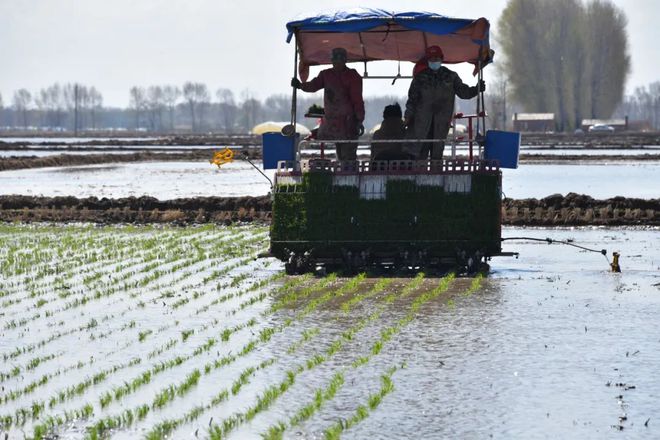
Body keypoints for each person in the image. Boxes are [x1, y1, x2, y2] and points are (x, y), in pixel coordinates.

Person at [404, 45, 485, 160]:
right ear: (427, 60)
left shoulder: (451, 77)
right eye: (432, 59)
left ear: (442, 58)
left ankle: (436, 175)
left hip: (441, 122)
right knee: (420, 153)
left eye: (436, 58)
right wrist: (407, 117)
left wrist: (477, 89)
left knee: (437, 154)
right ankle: (418, 175)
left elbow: (464, 93)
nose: (434, 61)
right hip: (421, 123)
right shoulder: (420, 78)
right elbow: (412, 100)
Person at [291, 47, 365, 161]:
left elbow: (357, 100)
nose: (337, 63)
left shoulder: (352, 76)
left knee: (348, 157)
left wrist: (359, 120)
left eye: (340, 60)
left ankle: (348, 175)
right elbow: (313, 85)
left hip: (349, 123)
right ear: (332, 61)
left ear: (345, 61)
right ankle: (343, 173)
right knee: (341, 155)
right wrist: (300, 85)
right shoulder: (326, 75)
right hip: (333, 123)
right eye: (335, 60)